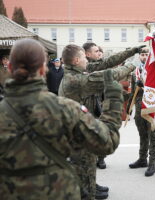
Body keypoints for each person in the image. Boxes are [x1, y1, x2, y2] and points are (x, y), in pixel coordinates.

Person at [0, 38, 123, 199]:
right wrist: (113, 99)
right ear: (44, 69)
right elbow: (107, 142)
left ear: (9, 67)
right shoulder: (65, 109)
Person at [58, 44, 135, 200]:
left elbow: (105, 66)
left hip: (77, 131)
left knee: (86, 172)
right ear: (76, 60)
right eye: (85, 57)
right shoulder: (76, 80)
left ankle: (91, 188)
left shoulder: (73, 74)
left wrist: (130, 53)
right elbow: (110, 75)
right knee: (85, 178)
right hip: (79, 136)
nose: (87, 60)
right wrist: (131, 66)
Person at [83, 42, 145, 170]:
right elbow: (111, 64)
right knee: (90, 135)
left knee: (101, 133)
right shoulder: (88, 66)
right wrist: (132, 57)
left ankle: (100, 159)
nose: (99, 53)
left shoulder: (95, 64)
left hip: (100, 102)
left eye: (99, 51)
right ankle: (91, 163)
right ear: (87, 54)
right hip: (87, 105)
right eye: (96, 51)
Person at [127, 48, 155, 177]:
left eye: (147, 54)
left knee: (153, 135)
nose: (144, 56)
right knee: (142, 134)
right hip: (139, 107)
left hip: (152, 107)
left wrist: (146, 84)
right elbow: (132, 92)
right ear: (139, 56)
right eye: (142, 54)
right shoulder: (135, 72)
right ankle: (142, 159)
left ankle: (152, 163)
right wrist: (129, 108)